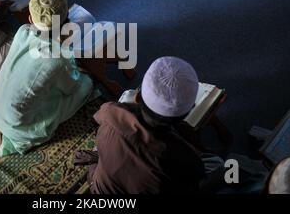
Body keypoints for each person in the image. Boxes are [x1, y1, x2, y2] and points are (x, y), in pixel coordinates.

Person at [0, 0, 95, 157]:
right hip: (18, 125)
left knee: (25, 88)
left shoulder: (23, 31)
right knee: (86, 85)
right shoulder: (58, 58)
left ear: (30, 18)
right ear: (67, 22)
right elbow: (70, 88)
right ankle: (13, 137)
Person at [76, 57, 206, 194]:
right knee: (216, 164)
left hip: (101, 188)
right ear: (187, 113)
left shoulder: (109, 112)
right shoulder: (187, 158)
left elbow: (98, 118)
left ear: (137, 97)